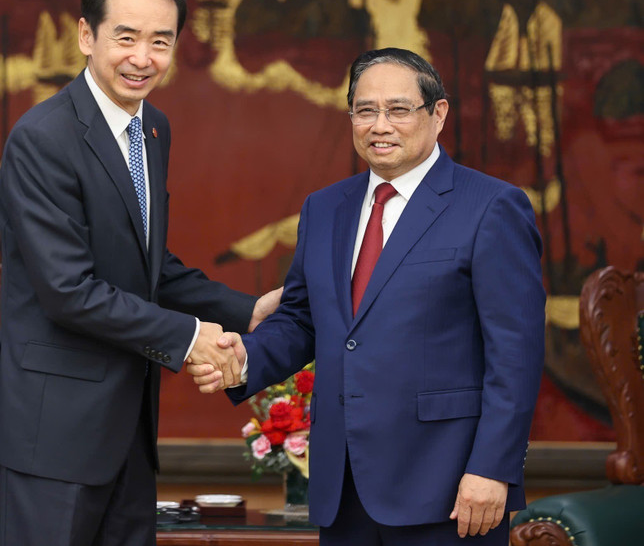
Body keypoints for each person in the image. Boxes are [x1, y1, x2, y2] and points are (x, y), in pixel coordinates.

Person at [0, 0, 279, 546]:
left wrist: (247, 311)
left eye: (160, 41)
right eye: (126, 37)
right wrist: (190, 338)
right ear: (86, 36)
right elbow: (69, 291)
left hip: (129, 432)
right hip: (54, 436)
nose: (143, 58)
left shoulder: (152, 128)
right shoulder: (42, 138)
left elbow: (146, 265)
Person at [189, 48, 546, 545]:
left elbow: (516, 353)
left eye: (398, 110)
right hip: (343, 487)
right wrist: (243, 359)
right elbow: (302, 319)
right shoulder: (324, 207)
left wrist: (492, 468)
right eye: (365, 110)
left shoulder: (491, 206)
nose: (380, 125)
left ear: (438, 113)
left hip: (448, 486)